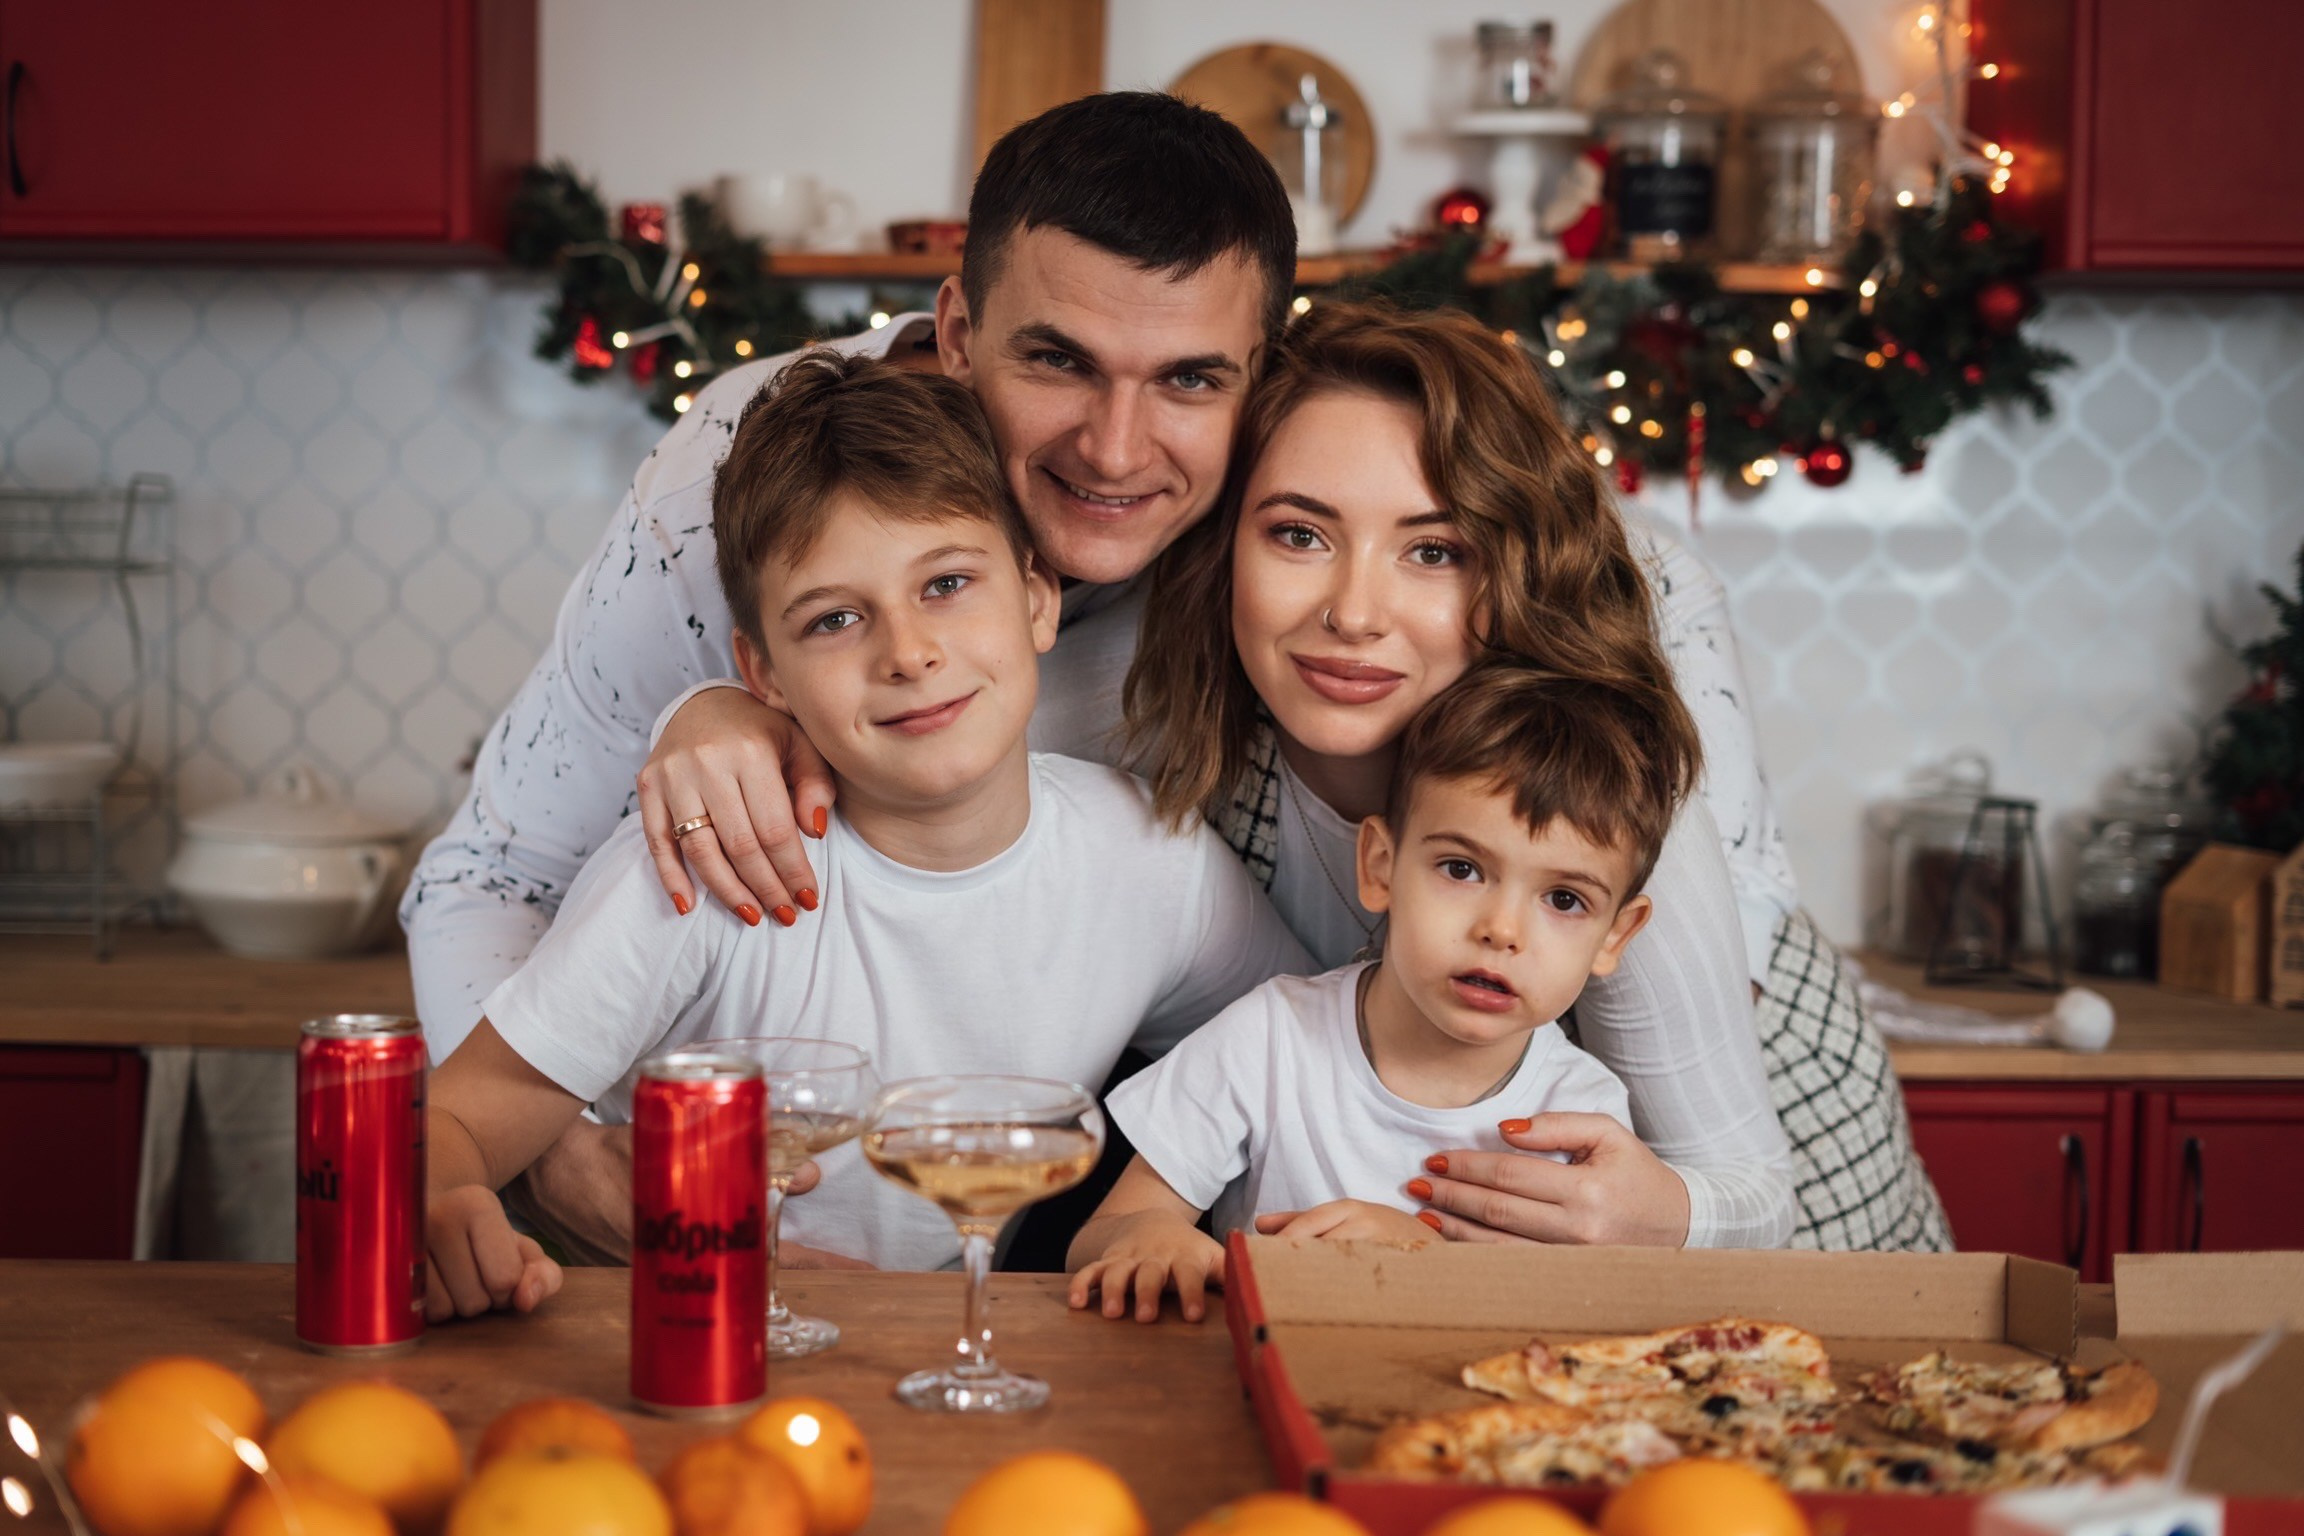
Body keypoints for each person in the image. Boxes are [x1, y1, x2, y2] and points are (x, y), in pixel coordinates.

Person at [404, 91, 1934, 1259]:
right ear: (957, 333)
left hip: (1716, 1180)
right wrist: (718, 712)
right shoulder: (818, 519)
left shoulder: (1564, 684)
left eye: (1190, 379)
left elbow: (1728, 1134)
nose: (1118, 451)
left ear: (1252, 381)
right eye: (1057, 360)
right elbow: (512, 866)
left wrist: (1674, 1213)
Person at [420, 353, 1307, 1318]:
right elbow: (454, 1123)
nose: (908, 653)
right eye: (836, 619)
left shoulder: (1149, 862)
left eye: (947, 583)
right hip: (681, 1331)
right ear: (762, 673)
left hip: (944, 1349)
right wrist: (442, 1202)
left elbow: (1310, 1044)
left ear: (1037, 598)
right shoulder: (705, 872)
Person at [1124, 299, 1945, 1252]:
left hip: (1797, 1196)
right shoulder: (1191, 722)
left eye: (1435, 551)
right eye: (1300, 535)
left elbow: (1758, 1196)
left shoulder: (1589, 785)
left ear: (1513, 572)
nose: (1353, 613)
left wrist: (1656, 1216)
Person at [1068, 662, 1692, 1323]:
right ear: (1381, 867)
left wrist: (1427, 1266)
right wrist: (1151, 1237)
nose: (1501, 931)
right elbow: (1096, 1239)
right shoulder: (1269, 1037)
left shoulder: (1581, 1115)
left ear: (1614, 937)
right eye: (1462, 868)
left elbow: (1582, 1323)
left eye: (1564, 899)